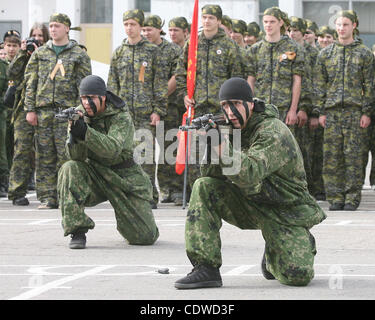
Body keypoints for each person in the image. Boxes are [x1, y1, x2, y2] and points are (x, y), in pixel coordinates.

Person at [174, 77, 326, 289]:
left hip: (283, 209)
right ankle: (205, 268)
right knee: (203, 186)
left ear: (251, 104)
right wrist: (212, 144)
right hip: (250, 201)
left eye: (236, 103)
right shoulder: (229, 129)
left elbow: (250, 173)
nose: (230, 111)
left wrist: (222, 145)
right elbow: (212, 176)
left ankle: (276, 250)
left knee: (297, 276)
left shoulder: (273, 131)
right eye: (225, 105)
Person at [58, 75, 159, 249]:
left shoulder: (121, 116)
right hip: (95, 173)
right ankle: (77, 230)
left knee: (145, 237)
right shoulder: (79, 114)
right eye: (83, 98)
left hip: (123, 176)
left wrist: (85, 132)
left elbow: (112, 150)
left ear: (102, 98)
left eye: (91, 98)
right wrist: (75, 134)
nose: (86, 103)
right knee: (69, 168)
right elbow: (75, 156)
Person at [24, 13, 92, 209]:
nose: (53, 29)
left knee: (67, 156)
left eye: (57, 26)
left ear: (67, 29)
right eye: (51, 26)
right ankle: (48, 197)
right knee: (44, 156)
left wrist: (82, 112)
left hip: (67, 112)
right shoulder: (40, 53)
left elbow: (84, 85)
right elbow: (31, 82)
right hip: (44, 111)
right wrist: (30, 109)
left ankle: (67, 196)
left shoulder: (78, 54)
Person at [107, 9, 168, 209]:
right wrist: (112, 111)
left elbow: (159, 84)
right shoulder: (119, 52)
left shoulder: (152, 51)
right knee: (126, 156)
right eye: (126, 24)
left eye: (133, 24)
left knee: (146, 157)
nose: (129, 28)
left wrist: (158, 110)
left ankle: (150, 195)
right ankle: (131, 193)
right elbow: (112, 84)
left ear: (141, 27)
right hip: (124, 114)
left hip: (145, 112)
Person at [316, 10, 374, 211]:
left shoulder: (364, 54)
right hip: (331, 113)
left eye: (346, 25)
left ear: (354, 26)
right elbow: (319, 85)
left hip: (354, 112)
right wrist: (321, 111)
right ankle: (335, 197)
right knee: (332, 157)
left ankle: (351, 198)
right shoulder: (326, 54)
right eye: (339, 25)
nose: (341, 28)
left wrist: (366, 112)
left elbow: (370, 85)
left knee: (354, 157)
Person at [7, 23, 49, 206]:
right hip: (24, 109)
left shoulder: (50, 53)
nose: (37, 39)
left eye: (41, 35)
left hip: (46, 108)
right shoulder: (24, 55)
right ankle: (17, 192)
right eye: (34, 35)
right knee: (21, 150)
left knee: (45, 152)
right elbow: (12, 73)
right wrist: (23, 53)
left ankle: (46, 192)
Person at [248, 7, 305, 128]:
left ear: (281, 23)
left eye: (272, 21)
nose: (268, 25)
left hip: (283, 109)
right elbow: (251, 80)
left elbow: (297, 80)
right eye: (265, 22)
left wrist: (293, 110)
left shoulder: (294, 48)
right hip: (260, 109)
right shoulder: (255, 49)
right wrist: (250, 107)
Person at [0, 30, 21, 197]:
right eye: (8, 45)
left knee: (18, 149)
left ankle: (16, 180)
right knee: (3, 149)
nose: (11, 49)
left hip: (18, 114)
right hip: (3, 114)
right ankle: (4, 180)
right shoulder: (1, 66)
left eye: (15, 45)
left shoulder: (24, 65)